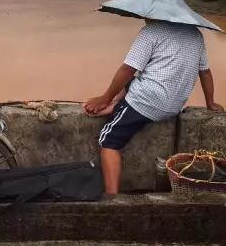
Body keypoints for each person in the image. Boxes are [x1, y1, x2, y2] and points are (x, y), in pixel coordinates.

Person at [84, 19, 223, 195]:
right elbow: (205, 71)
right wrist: (210, 102)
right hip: (174, 105)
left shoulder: (151, 31)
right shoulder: (195, 34)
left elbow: (128, 69)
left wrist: (104, 98)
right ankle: (117, 106)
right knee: (135, 82)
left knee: (108, 140)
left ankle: (113, 198)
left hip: (147, 101)